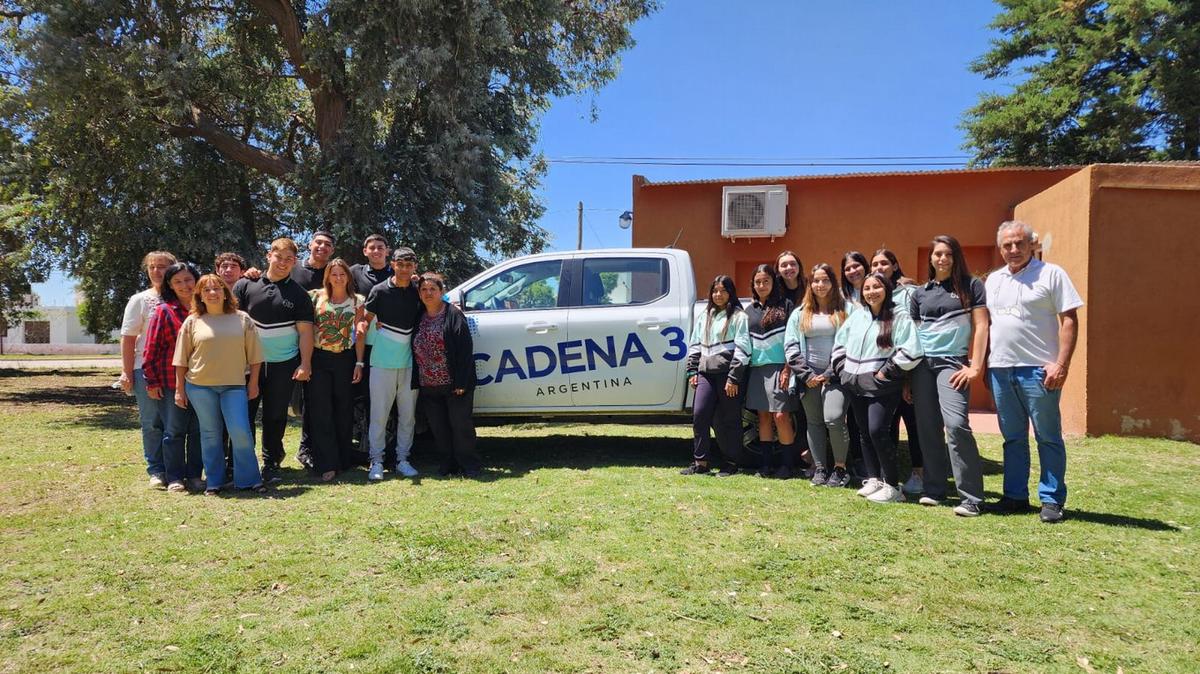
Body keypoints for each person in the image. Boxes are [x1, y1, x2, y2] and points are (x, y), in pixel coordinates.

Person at [985, 220, 1082, 524]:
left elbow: (1069, 320)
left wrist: (1061, 364)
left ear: (1031, 244)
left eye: (1019, 243)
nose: (1013, 250)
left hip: (1039, 371)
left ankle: (1051, 500)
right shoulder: (994, 280)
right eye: (1007, 245)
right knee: (1012, 438)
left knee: (1048, 436)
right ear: (1000, 248)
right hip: (1001, 369)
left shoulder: (1052, 274)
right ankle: (1014, 496)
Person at [909, 235, 988, 517]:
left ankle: (971, 497)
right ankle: (934, 489)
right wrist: (909, 376)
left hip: (952, 364)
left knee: (955, 425)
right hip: (922, 367)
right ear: (930, 258)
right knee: (927, 428)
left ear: (956, 257)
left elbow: (981, 326)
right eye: (937, 254)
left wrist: (975, 365)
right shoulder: (920, 294)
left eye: (948, 254)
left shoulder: (971, 286)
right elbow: (914, 336)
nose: (942, 259)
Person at [833, 272, 924, 503]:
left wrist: (886, 371)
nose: (871, 292)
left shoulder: (898, 316)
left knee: (877, 431)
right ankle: (874, 479)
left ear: (887, 289)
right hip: (854, 382)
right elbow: (840, 342)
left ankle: (893, 486)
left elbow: (912, 350)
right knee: (864, 433)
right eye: (867, 288)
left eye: (876, 287)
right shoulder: (857, 316)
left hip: (881, 385)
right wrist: (842, 368)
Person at [173, 274, 267, 494]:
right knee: (210, 433)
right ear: (200, 296)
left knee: (240, 431)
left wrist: (253, 384)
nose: (212, 293)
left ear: (226, 293)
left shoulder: (242, 318)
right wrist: (179, 389)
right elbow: (181, 359)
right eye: (207, 290)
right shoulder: (192, 321)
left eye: (217, 289)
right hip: (199, 387)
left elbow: (255, 357)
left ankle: (249, 478)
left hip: (234, 385)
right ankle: (215, 481)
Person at [233, 238, 314, 479]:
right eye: (279, 257)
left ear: (295, 262)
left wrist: (305, 363)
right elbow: (230, 321)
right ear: (269, 256)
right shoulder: (246, 284)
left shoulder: (299, 294)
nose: (283, 263)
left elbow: (305, 332)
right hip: (246, 365)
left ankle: (271, 463)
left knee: (275, 416)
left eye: (289, 259)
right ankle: (240, 462)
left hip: (283, 364)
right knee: (244, 414)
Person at [785, 263, 853, 488]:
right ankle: (820, 468)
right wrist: (806, 375)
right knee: (814, 422)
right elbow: (791, 345)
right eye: (816, 280)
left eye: (825, 280)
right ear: (810, 284)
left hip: (835, 376)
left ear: (833, 283)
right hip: (809, 378)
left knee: (833, 419)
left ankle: (840, 468)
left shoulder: (845, 310)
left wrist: (830, 372)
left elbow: (851, 343)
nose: (820, 285)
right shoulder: (799, 313)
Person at [361, 247, 422, 481]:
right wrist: (362, 328)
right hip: (381, 362)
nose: (405, 269)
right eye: (400, 264)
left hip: (409, 364)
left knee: (408, 416)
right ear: (393, 264)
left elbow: (440, 301)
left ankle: (403, 460)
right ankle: (376, 462)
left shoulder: (418, 291)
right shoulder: (379, 290)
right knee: (379, 415)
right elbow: (365, 321)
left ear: (414, 266)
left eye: (409, 264)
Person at [412, 273, 481, 477]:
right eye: (424, 289)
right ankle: (447, 464)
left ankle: (469, 465)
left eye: (433, 289)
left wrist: (461, 381)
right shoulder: (419, 315)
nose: (428, 293)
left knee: (461, 426)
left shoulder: (453, 314)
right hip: (428, 384)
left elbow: (464, 349)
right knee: (439, 429)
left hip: (454, 383)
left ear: (442, 292)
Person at [142, 262, 202, 493]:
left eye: (188, 279)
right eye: (177, 281)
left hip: (202, 382)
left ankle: (195, 475)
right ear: (170, 285)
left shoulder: (206, 309)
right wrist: (152, 381)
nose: (184, 285)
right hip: (170, 382)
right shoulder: (164, 311)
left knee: (198, 430)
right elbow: (151, 349)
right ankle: (175, 476)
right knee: (174, 430)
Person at [119, 250, 177, 488]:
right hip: (145, 371)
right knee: (151, 421)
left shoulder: (184, 297)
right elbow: (128, 337)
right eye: (152, 267)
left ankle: (176, 469)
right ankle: (156, 470)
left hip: (177, 371)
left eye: (162, 267)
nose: (156, 271)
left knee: (176, 423)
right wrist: (126, 371)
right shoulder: (140, 300)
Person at [682, 275, 750, 477]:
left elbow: (743, 347)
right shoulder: (705, 316)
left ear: (731, 293)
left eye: (723, 290)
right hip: (705, 373)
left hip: (728, 375)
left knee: (730, 419)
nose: (718, 295)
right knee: (700, 414)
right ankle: (701, 462)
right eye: (715, 291)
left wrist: (734, 377)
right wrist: (692, 370)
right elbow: (695, 344)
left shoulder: (739, 316)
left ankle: (732, 463)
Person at [305, 258, 366, 481]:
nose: (338, 278)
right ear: (328, 276)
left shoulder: (357, 301)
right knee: (321, 412)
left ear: (348, 277)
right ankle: (326, 463)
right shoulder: (315, 297)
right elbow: (307, 330)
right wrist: (306, 361)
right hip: (319, 358)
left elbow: (360, 334)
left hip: (346, 359)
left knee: (343, 411)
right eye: (334, 274)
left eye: (342, 274)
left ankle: (343, 459)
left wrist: (359, 363)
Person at [871, 248, 924, 495]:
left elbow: (915, 334)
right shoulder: (873, 296)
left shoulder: (910, 292)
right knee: (887, 425)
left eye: (884, 263)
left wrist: (907, 376)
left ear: (894, 264)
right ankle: (886, 475)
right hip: (882, 371)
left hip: (907, 368)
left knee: (913, 423)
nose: (879, 267)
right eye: (875, 264)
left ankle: (918, 474)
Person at [745, 264, 798, 478]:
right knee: (763, 417)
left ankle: (787, 465)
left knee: (781, 416)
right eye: (757, 282)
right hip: (757, 368)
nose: (761, 285)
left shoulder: (786, 305)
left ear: (773, 282)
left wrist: (788, 368)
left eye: (766, 281)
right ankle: (766, 465)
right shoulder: (749, 311)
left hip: (780, 367)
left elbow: (793, 339)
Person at [350, 234, 396, 462]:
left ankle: (390, 446)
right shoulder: (355, 272)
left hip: (392, 345)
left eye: (380, 248)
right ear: (365, 251)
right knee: (367, 397)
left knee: (390, 396)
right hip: (363, 344)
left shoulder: (398, 273)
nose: (376, 251)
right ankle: (367, 446)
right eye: (372, 248)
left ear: (387, 251)